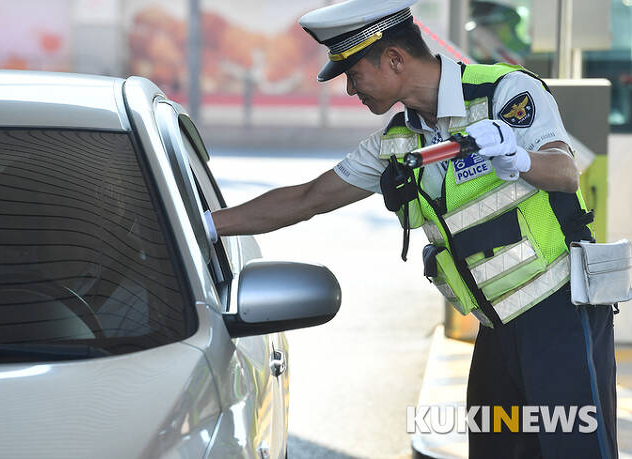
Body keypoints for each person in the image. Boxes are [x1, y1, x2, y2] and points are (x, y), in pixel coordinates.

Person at [206, 1, 618, 457]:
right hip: (495, 326)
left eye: (353, 73)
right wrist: (203, 225)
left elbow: (564, 171)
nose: (349, 89)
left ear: (395, 60)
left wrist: (517, 157)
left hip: (559, 313)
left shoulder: (504, 91)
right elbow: (307, 199)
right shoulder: (398, 142)